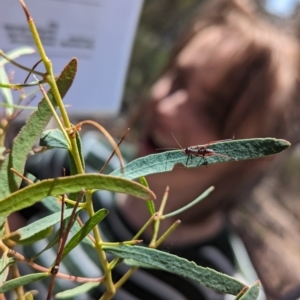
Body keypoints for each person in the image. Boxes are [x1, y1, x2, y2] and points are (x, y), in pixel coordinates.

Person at [24, 0, 300, 299]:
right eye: (178, 77)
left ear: (254, 157)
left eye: (211, 110)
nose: (167, 107)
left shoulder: (226, 291)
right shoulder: (80, 160)